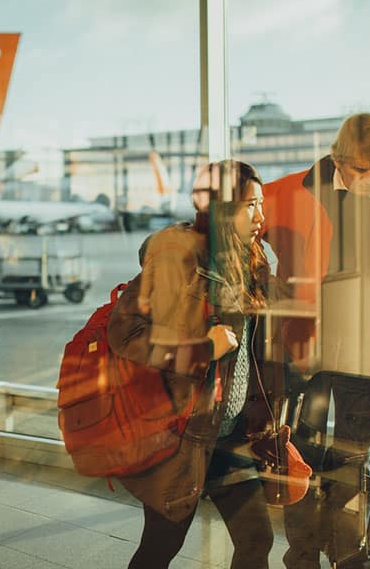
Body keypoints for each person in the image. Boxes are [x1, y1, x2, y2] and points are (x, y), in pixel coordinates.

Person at [108, 160, 276, 569]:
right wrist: (203, 348)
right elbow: (124, 333)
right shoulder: (179, 260)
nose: (261, 215)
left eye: (261, 204)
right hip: (182, 437)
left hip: (231, 434)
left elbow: (256, 349)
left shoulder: (252, 262)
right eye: (250, 205)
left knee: (257, 539)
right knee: (160, 548)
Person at [260, 113, 370, 568]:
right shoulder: (292, 191)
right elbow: (231, 223)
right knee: (302, 455)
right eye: (361, 169)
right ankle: (302, 556)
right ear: (338, 160)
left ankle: (346, 554)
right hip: (307, 354)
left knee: (355, 462)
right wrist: (264, 280)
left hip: (364, 356)